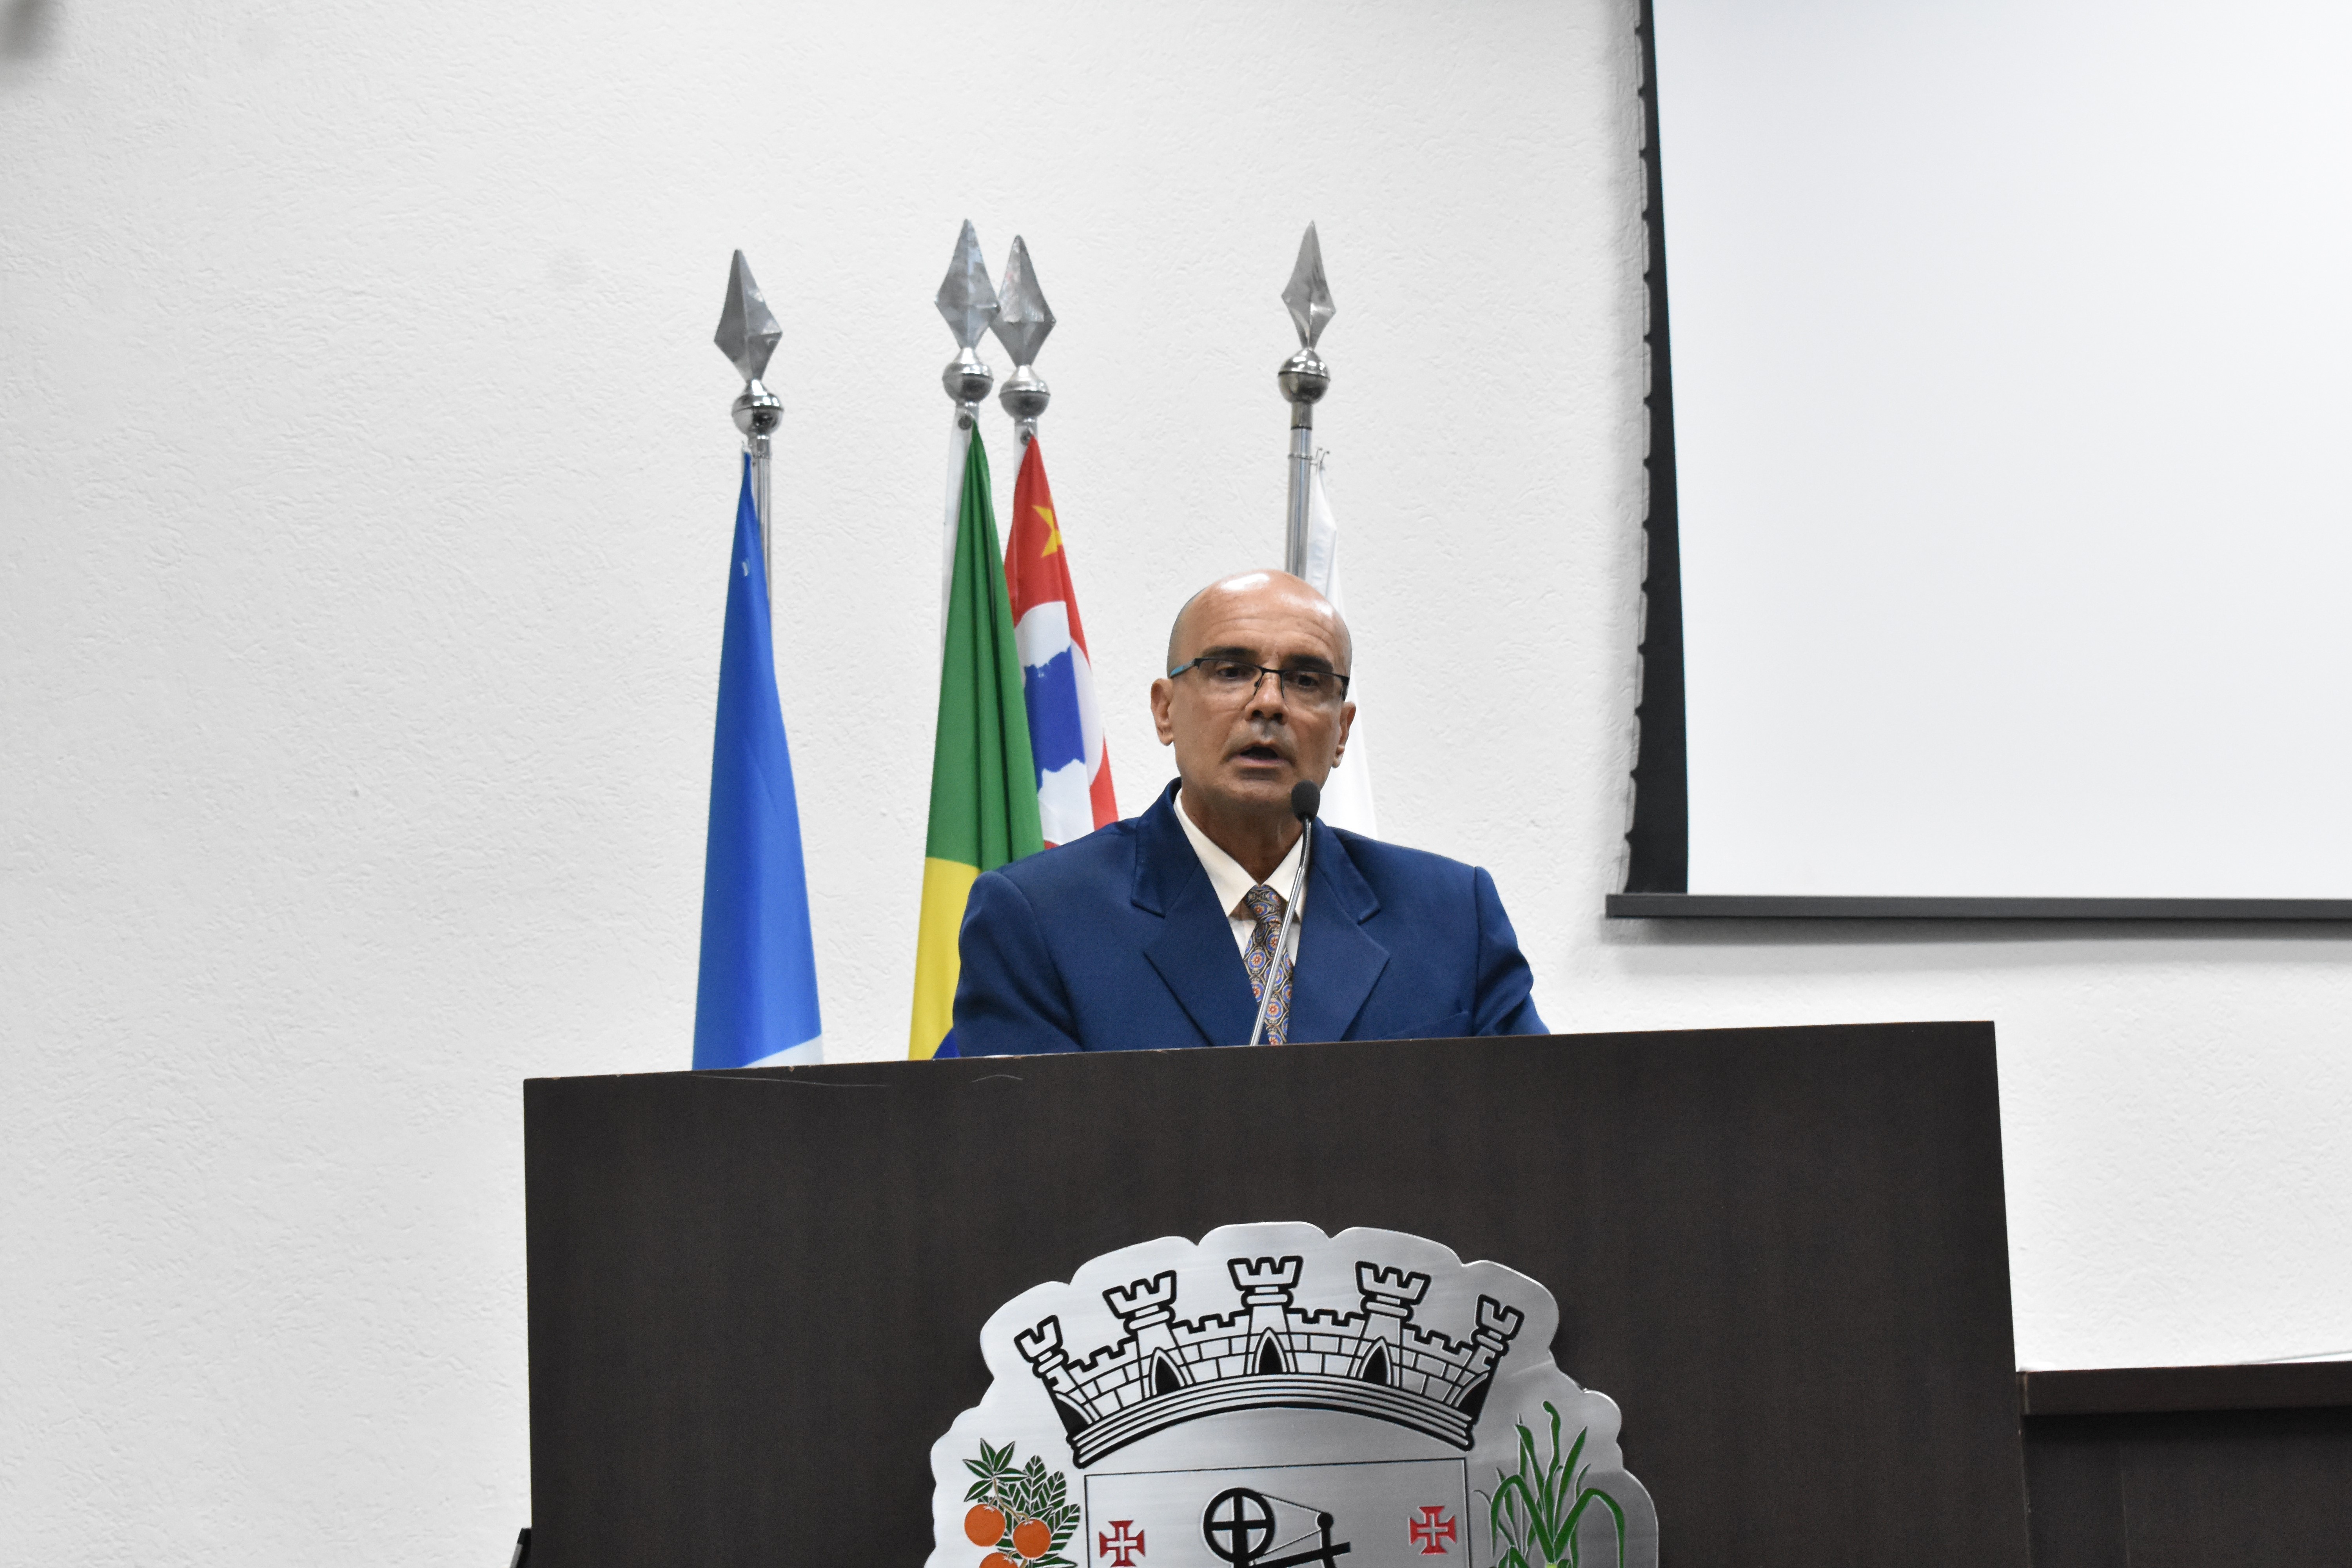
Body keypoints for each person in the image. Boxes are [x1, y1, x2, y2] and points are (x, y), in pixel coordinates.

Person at [949, 570, 1544, 1055]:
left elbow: (1536, 1128)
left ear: (1342, 732)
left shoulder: (1452, 916)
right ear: (1165, 710)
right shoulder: (1039, 917)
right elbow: (1027, 1150)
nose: (1269, 704)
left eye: (1305, 680)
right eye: (1231, 672)